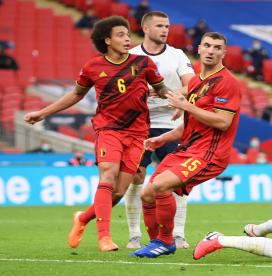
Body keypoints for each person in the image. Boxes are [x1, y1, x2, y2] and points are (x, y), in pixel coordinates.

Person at [24, 16, 169, 252]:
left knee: (119, 191)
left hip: (137, 133)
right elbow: (75, 95)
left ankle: (82, 218)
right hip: (108, 129)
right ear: (107, 40)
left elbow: (162, 90)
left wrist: (181, 100)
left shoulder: (144, 64)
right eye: (121, 34)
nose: (127, 38)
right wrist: (42, 113)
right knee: (107, 176)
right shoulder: (92, 67)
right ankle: (104, 237)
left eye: (127, 33)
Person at [129, 32, 241, 258]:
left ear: (223, 53)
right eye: (207, 46)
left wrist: (186, 106)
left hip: (209, 154)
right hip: (187, 149)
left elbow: (222, 122)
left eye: (217, 48)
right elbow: (190, 124)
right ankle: (155, 243)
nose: (211, 51)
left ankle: (166, 241)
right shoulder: (198, 81)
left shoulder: (227, 83)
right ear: (199, 49)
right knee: (147, 194)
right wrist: (164, 138)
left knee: (160, 186)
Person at [125, 11, 195, 250]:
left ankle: (178, 234)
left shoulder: (176, 55)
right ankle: (135, 234)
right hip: (139, 124)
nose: (165, 30)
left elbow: (191, 85)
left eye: (167, 26)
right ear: (145, 29)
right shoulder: (131, 55)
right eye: (159, 26)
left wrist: (170, 95)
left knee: (177, 179)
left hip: (172, 123)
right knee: (136, 176)